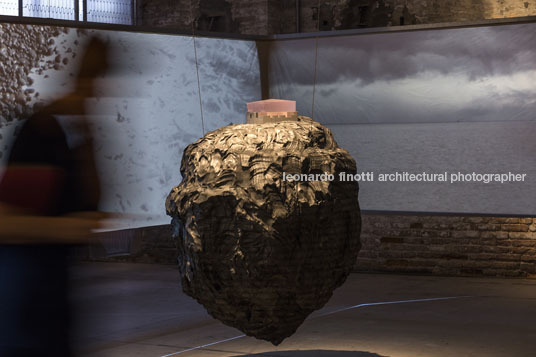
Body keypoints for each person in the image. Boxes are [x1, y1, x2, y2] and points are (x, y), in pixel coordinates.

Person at [0, 37, 109, 357]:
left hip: (52, 292)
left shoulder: (75, 132)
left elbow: (91, 200)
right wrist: (65, 228)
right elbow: (6, 223)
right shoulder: (42, 130)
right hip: (27, 295)